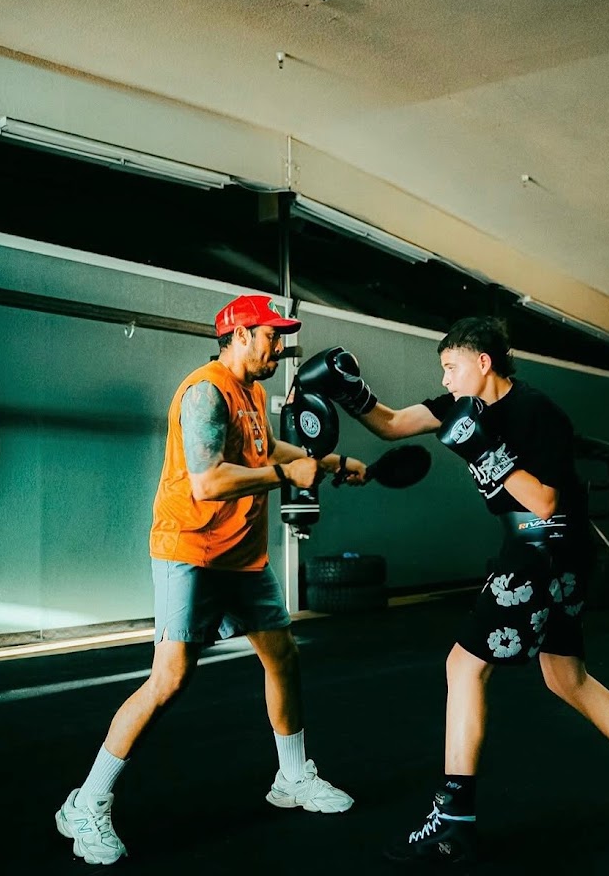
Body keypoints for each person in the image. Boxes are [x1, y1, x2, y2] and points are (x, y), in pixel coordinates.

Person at [296, 317, 609, 865]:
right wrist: (347, 392)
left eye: (451, 367)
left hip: (545, 547)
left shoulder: (537, 412)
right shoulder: (458, 406)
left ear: (483, 362)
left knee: (464, 667)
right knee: (566, 677)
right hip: (550, 554)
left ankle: (453, 821)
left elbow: (546, 502)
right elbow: (390, 424)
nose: (447, 378)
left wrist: (485, 451)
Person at [55, 294, 367, 865]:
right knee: (169, 680)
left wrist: (326, 462)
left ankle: (292, 778)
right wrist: (285, 473)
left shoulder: (254, 392)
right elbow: (208, 482)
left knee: (284, 657)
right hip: (190, 550)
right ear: (241, 334)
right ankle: (85, 803)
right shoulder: (205, 390)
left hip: (241, 555)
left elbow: (265, 448)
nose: (280, 345)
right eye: (272, 335)